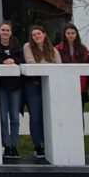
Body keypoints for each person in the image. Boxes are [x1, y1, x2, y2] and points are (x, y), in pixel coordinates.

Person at [23, 25, 60, 159]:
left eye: (38, 34)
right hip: (34, 84)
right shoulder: (28, 47)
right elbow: (31, 63)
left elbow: (59, 67)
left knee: (49, 115)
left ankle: (49, 141)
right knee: (35, 116)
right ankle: (38, 144)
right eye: (34, 35)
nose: (36, 36)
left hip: (49, 85)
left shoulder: (53, 50)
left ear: (44, 34)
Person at [0, 22, 24, 159]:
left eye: (7, 30)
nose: (5, 32)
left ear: (11, 32)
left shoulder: (16, 45)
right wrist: (2, 62)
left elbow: (21, 60)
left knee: (14, 117)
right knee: (3, 117)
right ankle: (6, 145)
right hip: (1, 86)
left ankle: (14, 145)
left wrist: (13, 60)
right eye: (3, 30)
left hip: (15, 86)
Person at [56, 24, 89, 108]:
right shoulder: (58, 48)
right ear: (64, 34)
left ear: (76, 34)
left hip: (80, 83)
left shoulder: (83, 48)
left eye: (73, 33)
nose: (70, 35)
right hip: (65, 83)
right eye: (68, 33)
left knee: (80, 109)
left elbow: (86, 63)